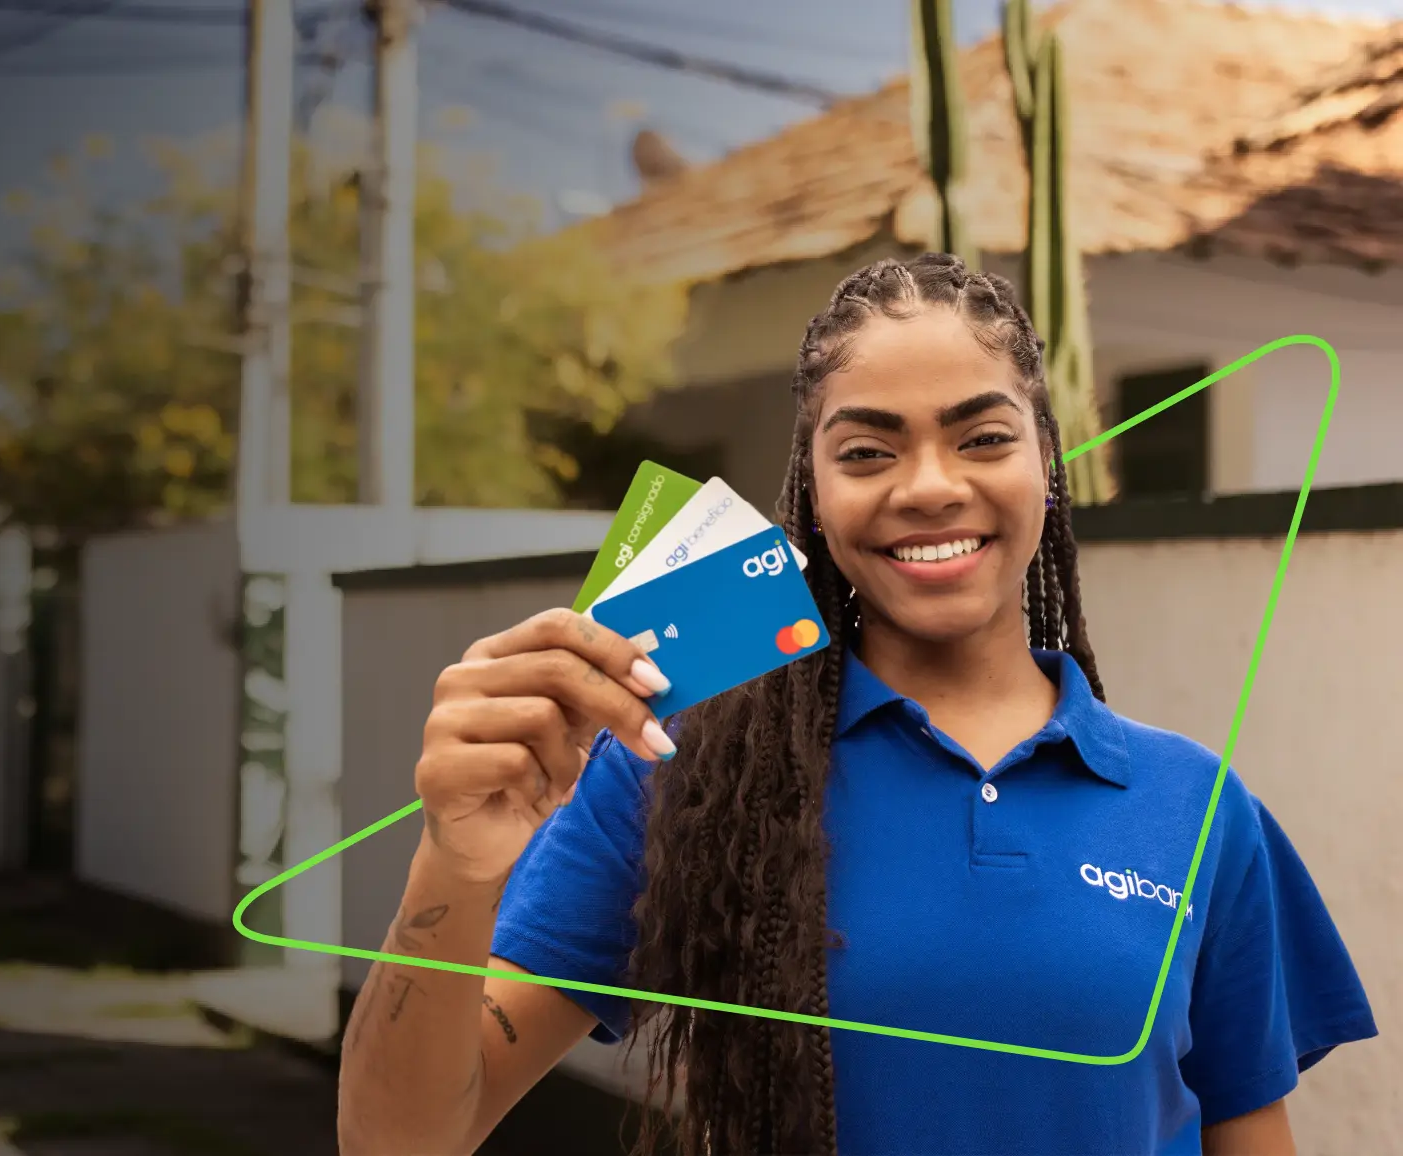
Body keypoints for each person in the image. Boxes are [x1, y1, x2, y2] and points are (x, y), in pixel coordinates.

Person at [333, 253, 1377, 1156]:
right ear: (813, 497)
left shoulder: (1195, 807)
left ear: (1046, 466)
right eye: (866, 450)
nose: (927, 485)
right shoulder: (677, 767)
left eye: (981, 436)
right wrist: (453, 863)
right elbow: (398, 1138)